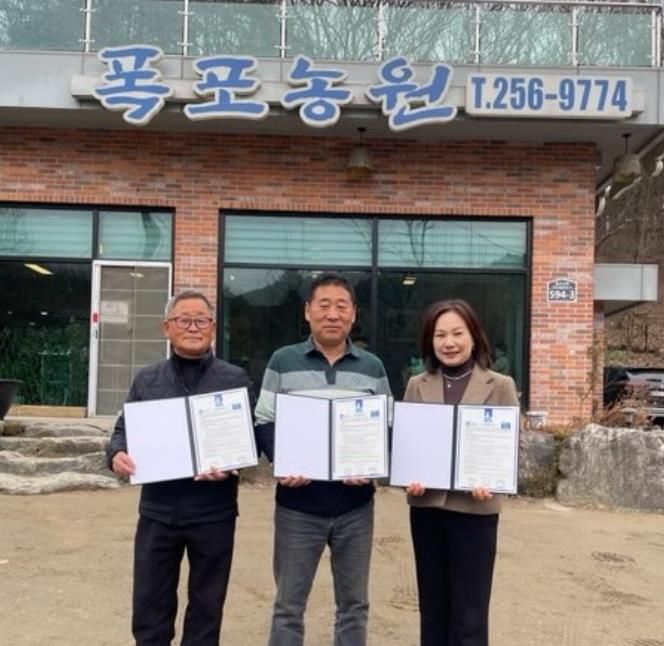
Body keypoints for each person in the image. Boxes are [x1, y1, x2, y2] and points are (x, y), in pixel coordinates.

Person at [106, 289, 255, 646]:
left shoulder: (234, 379)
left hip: (214, 511)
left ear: (213, 328)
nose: (192, 327)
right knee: (150, 604)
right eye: (183, 320)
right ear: (167, 328)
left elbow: (249, 439)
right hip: (158, 510)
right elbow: (122, 431)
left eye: (201, 320)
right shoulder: (147, 380)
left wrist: (234, 463)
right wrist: (116, 454)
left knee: (207, 606)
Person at [254, 271, 392, 646]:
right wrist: (283, 462)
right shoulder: (283, 361)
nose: (333, 314)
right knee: (288, 605)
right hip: (298, 505)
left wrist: (373, 467)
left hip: (355, 506)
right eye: (324, 305)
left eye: (341, 306)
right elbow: (264, 419)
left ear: (353, 313)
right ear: (307, 311)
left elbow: (387, 424)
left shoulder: (372, 367)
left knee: (354, 605)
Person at [404, 299, 519, 646]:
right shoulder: (417, 384)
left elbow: (511, 446)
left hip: (475, 511)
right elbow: (409, 443)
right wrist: (408, 476)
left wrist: (494, 481)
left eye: (457, 333)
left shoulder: (500, 385)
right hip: (427, 509)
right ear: (430, 340)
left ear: (474, 336)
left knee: (470, 614)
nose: (449, 342)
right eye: (440, 335)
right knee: (432, 608)